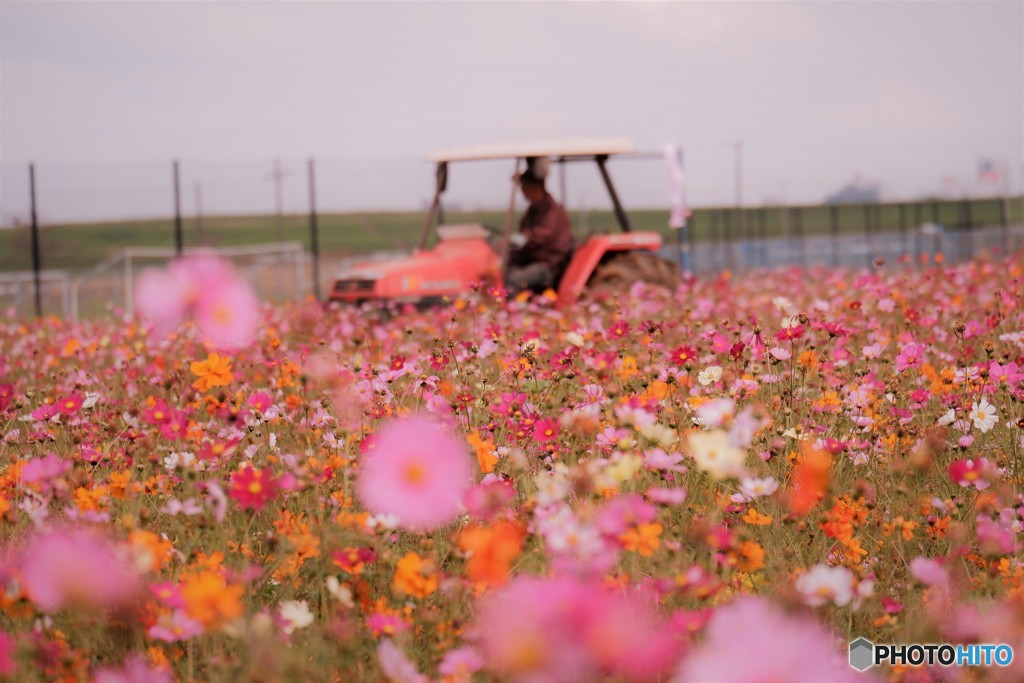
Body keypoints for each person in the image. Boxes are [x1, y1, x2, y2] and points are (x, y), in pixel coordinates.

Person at [505, 164, 575, 293]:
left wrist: (523, 239)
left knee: (513, 282)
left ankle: (513, 311)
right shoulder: (536, 207)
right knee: (498, 271)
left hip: (548, 264)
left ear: (533, 187)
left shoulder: (550, 209)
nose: (522, 191)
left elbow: (542, 235)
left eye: (523, 187)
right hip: (530, 259)